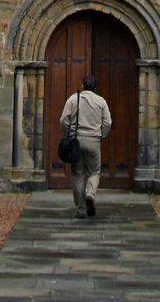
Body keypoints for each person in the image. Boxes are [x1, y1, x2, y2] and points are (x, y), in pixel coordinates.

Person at [60, 73, 112, 218]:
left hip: (77, 141)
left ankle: (81, 209)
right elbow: (107, 123)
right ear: (95, 87)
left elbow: (64, 119)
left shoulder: (73, 99)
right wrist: (100, 136)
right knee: (94, 172)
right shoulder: (101, 101)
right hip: (93, 140)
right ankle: (90, 193)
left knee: (77, 174)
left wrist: (69, 135)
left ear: (82, 86)